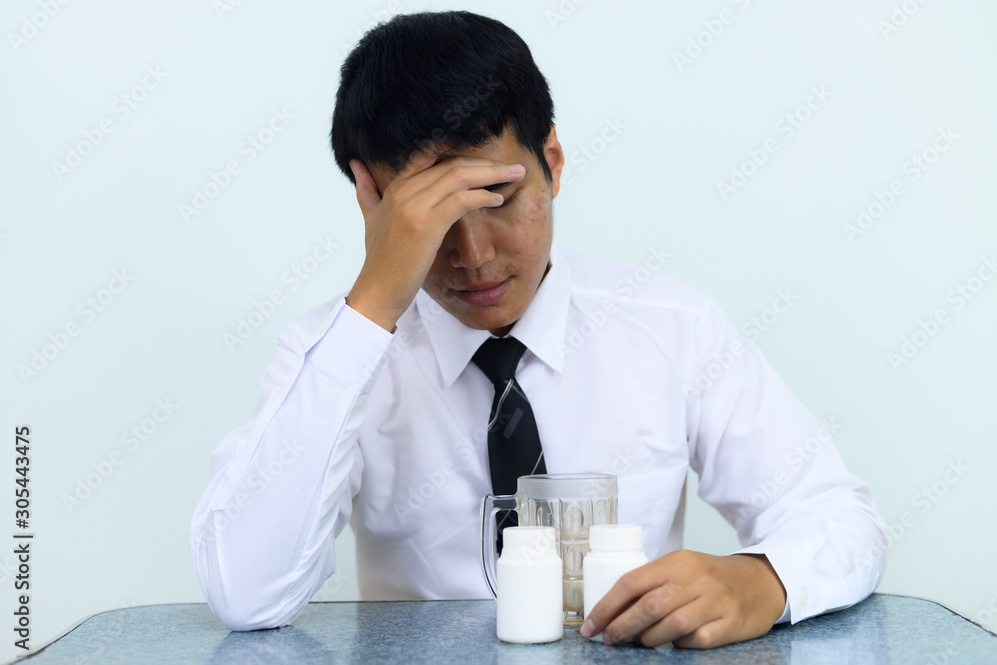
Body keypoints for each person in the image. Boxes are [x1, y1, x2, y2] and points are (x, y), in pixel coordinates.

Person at [190, 10, 887, 649]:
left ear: (551, 162)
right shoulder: (333, 354)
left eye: (498, 197)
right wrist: (372, 303)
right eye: (431, 218)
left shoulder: (674, 329)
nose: (473, 254)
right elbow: (246, 594)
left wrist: (763, 579)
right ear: (372, 203)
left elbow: (838, 514)